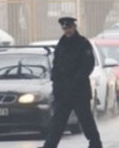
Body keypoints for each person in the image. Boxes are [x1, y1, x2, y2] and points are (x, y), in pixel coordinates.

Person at [39, 17, 102, 148]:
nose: (67, 30)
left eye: (69, 27)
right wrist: (55, 80)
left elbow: (87, 65)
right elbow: (56, 64)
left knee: (85, 120)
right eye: (64, 28)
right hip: (63, 91)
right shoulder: (61, 44)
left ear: (74, 27)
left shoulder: (83, 43)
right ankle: (49, 145)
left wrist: (76, 81)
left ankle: (95, 143)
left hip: (79, 91)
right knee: (58, 121)